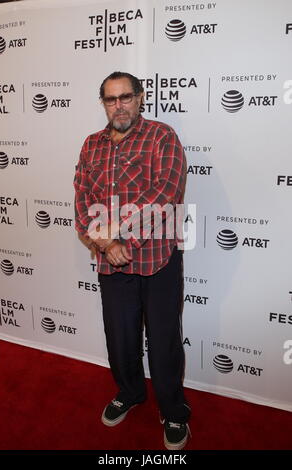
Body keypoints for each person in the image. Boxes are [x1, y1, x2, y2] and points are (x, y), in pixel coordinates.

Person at [73, 71, 191, 450]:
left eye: (126, 97)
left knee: (163, 341)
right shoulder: (91, 145)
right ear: (103, 103)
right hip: (112, 262)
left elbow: (167, 193)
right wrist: (103, 242)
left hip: (157, 260)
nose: (119, 105)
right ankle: (130, 391)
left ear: (140, 98)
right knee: (120, 338)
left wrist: (124, 238)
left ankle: (173, 410)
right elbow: (81, 194)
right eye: (111, 99)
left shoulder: (162, 136)